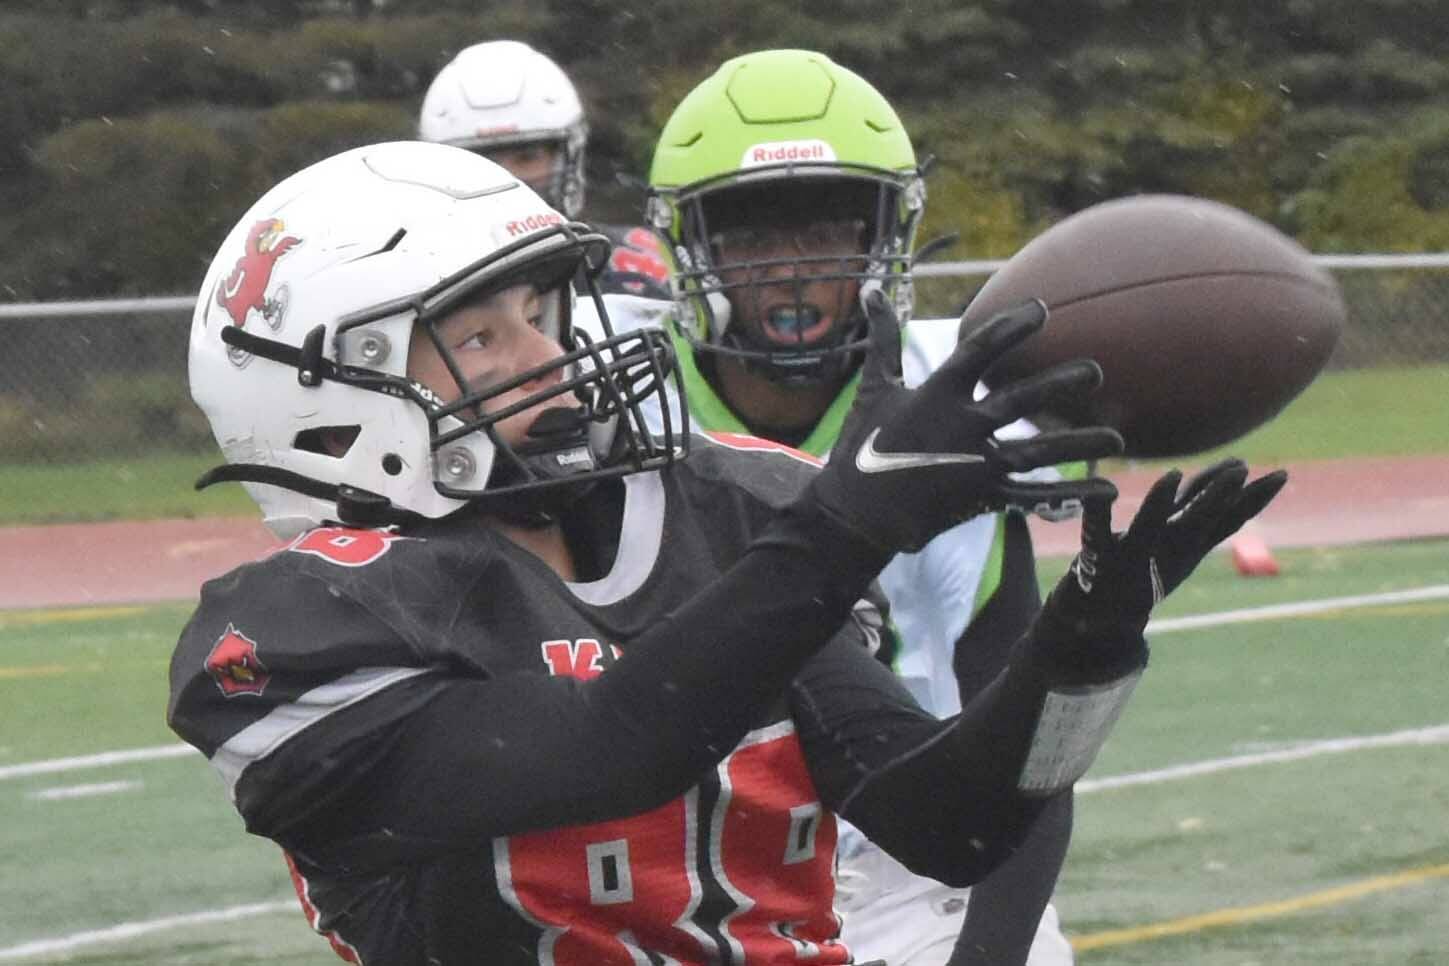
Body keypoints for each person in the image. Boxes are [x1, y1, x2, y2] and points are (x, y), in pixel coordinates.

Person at [167, 139, 1283, 965]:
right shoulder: (291, 635)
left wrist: (1077, 663)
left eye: (542, 312)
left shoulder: (720, 508)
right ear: (325, 396)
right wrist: (852, 526)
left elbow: (949, 825)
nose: (547, 357)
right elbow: (619, 745)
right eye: (480, 335)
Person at [633, 49, 1079, 965]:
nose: (791, 271)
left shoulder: (951, 395)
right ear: (688, 247)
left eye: (826, 230)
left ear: (889, 236)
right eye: (752, 237)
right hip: (668, 861)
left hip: (911, 866)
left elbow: (1025, 750)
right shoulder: (615, 404)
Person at [419, 39, 671, 298]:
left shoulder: (634, 265)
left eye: (527, 157)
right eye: (482, 163)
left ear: (568, 157)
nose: (506, 180)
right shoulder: (414, 281)